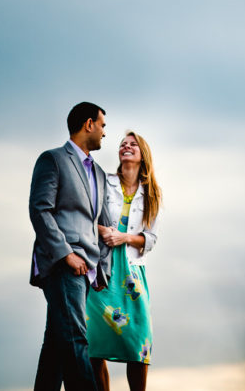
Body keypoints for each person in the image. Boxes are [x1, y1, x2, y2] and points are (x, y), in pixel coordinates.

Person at [29, 102, 113, 391]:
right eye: (102, 125)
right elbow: (40, 210)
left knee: (56, 345)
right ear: (88, 124)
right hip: (63, 265)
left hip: (86, 271)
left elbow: (103, 225)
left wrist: (102, 268)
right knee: (77, 338)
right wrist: (66, 254)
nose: (105, 132)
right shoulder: (52, 159)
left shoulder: (100, 174)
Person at [86, 130, 162, 391]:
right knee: (94, 342)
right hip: (102, 271)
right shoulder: (104, 181)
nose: (126, 147)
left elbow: (150, 239)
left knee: (138, 341)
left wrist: (124, 237)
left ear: (142, 154)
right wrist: (101, 231)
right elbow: (86, 215)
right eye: (122, 144)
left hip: (132, 275)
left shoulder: (152, 193)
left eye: (132, 144)